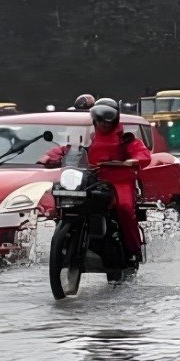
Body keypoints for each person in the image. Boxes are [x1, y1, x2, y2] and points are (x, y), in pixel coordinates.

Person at [39, 101, 151, 261]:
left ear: (114, 120)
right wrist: (50, 156)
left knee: (125, 208)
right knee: (64, 199)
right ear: (94, 121)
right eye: (99, 121)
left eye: (107, 121)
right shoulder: (88, 139)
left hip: (120, 181)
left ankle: (133, 250)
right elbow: (67, 149)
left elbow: (142, 154)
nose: (103, 124)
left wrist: (133, 161)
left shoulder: (126, 140)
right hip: (90, 179)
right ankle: (66, 239)